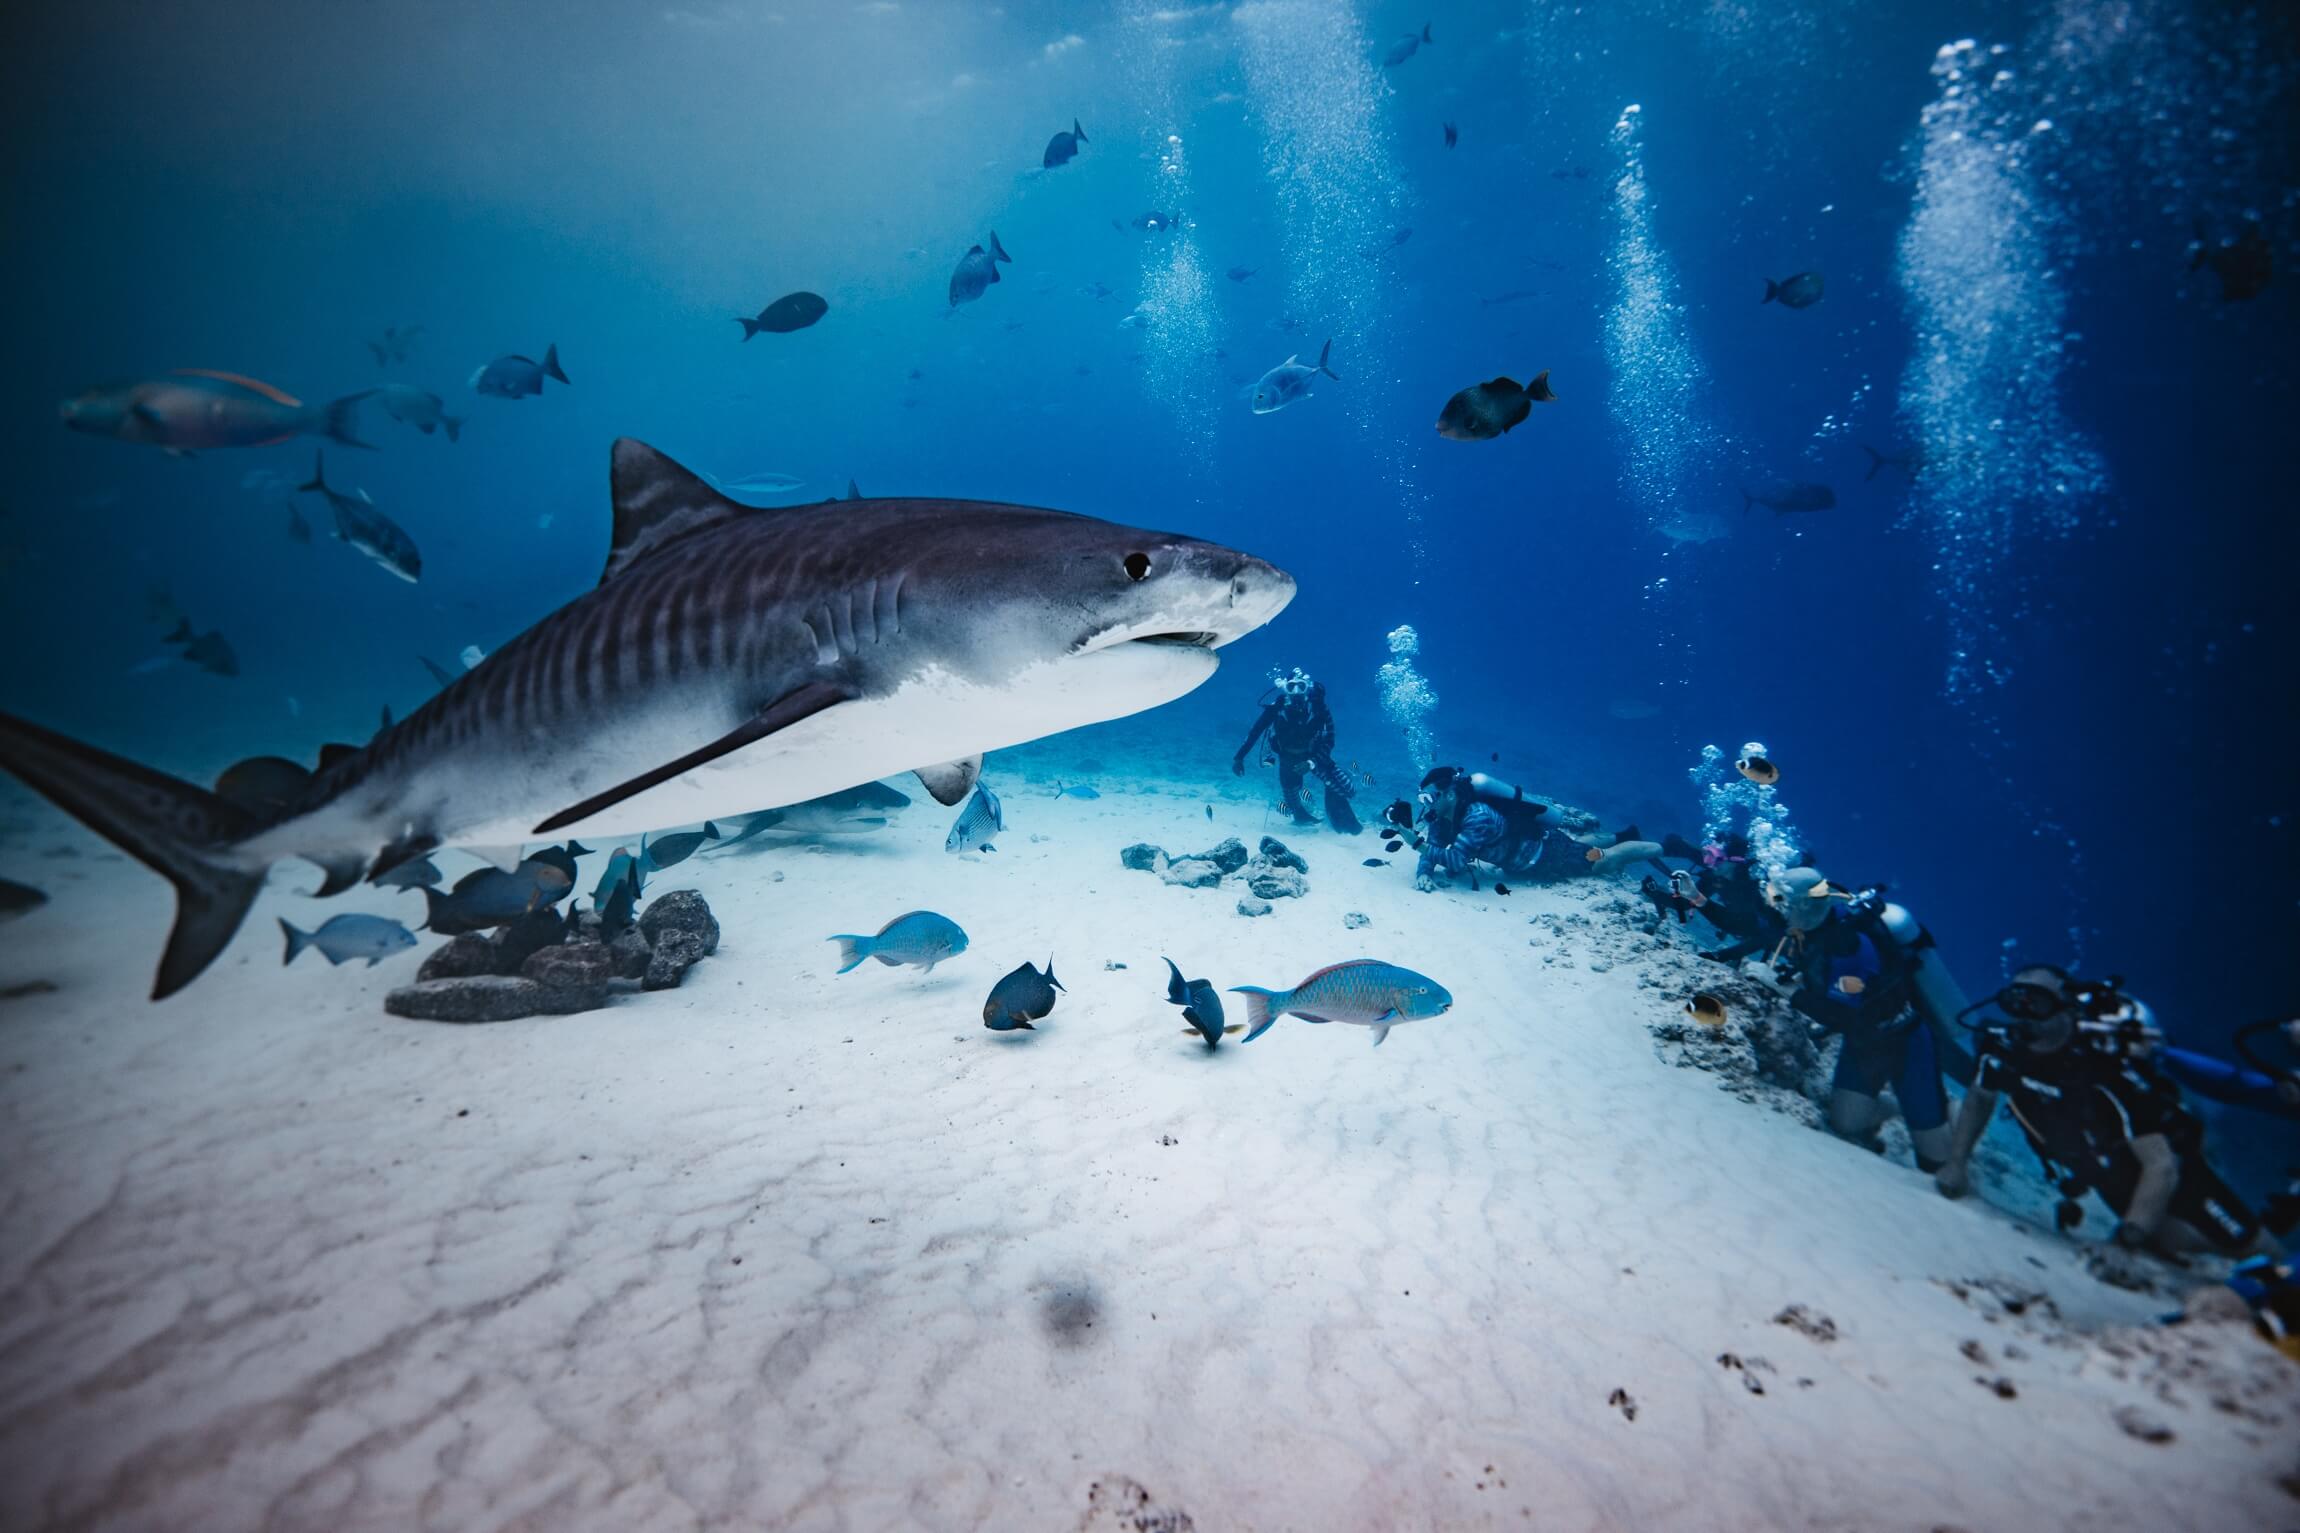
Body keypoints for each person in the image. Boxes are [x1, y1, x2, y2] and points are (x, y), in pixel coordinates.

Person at [1933, 966, 2288, 1259]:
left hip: (2176, 1168)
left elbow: (2162, 1166)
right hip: (2105, 1172)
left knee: (2254, 1247)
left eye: (2037, 1003)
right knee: (2167, 1241)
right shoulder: (2002, 1049)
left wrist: (2122, 1246)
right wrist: (1957, 1162)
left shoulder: (2106, 1068)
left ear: (2066, 1008)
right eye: (2014, 1001)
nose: (2024, 1015)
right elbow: (1979, 1099)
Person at [1768, 868, 1975, 1171]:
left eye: (1782, 902)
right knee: (1845, 1123)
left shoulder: (1849, 945)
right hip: (1864, 1044)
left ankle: (1948, 1111)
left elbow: (1844, 1016)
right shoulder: (1811, 932)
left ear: (1805, 905)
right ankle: (1908, 1108)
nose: (1776, 909)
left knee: (1935, 1163)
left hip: (1905, 1042)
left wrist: (1788, 993)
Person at [1411, 765, 1591, 890]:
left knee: (1598, 861)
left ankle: (1610, 844)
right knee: (1581, 844)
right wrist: (1424, 873)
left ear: (1449, 795)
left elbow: (1456, 860)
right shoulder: (1441, 821)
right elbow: (1432, 847)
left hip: (1547, 855)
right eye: (1423, 799)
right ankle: (1595, 840)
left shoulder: (1478, 816)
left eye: (1430, 798)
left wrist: (1413, 841)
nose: (1427, 805)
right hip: (1522, 865)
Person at [1231, 668, 1360, 834]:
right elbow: (1255, 732)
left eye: (1301, 686)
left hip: (1315, 757)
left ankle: (1333, 804)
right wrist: (1239, 757)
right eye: (1291, 687)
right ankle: (1301, 816)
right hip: (1288, 758)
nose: (1297, 691)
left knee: (1349, 790)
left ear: (1307, 687)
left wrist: (1312, 762)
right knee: (1291, 794)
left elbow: (1330, 739)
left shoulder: (1319, 707)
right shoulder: (1277, 708)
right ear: (1285, 688)